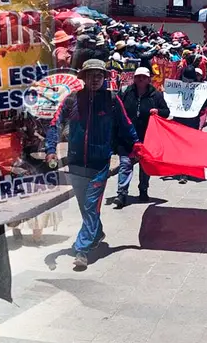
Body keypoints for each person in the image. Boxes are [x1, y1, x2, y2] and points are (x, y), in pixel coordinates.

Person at [45, 59, 140, 270]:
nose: (95, 79)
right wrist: (51, 150)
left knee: (90, 205)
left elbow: (126, 124)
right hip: (76, 163)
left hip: (100, 164)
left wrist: (137, 145)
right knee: (84, 207)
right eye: (90, 75)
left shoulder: (113, 100)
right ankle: (96, 233)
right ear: (84, 78)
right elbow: (54, 124)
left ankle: (82, 250)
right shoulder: (71, 100)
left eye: (99, 75)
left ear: (104, 78)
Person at [115, 67, 170, 207]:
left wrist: (158, 111)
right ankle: (121, 194)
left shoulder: (156, 95)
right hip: (127, 137)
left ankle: (143, 189)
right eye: (138, 76)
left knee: (145, 167)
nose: (141, 79)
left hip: (147, 137)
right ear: (134, 78)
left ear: (148, 79)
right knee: (125, 165)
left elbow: (166, 112)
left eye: (144, 77)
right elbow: (117, 110)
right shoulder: (126, 93)